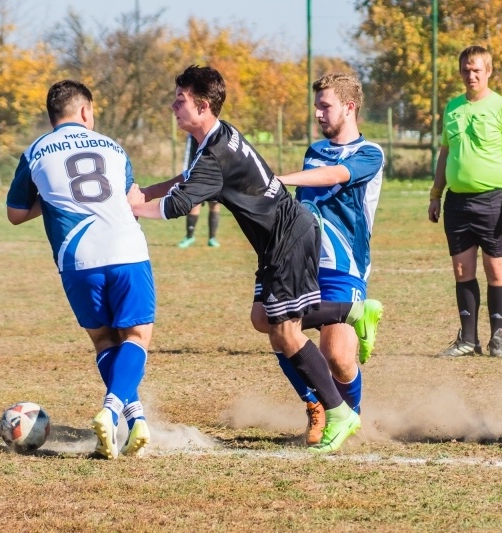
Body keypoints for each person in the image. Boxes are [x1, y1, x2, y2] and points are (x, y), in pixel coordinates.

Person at [128, 65, 382, 453]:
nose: (173, 107)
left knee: (287, 333)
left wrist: (132, 209)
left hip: (287, 239)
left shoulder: (215, 149)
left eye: (179, 100)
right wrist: (143, 193)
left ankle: (336, 411)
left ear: (202, 105)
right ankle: (347, 313)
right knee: (265, 319)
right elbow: (187, 180)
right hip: (279, 240)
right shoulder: (217, 137)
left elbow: (180, 203)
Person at [6, 80, 155, 460]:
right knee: (136, 337)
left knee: (105, 340)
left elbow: (16, 214)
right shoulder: (112, 146)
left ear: (52, 115)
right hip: (126, 250)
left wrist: (51, 199)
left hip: (78, 259)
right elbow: (129, 199)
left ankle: (135, 419)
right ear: (86, 111)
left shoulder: (35, 150)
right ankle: (112, 410)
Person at [252, 73, 384, 445]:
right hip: (303, 260)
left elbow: (332, 176)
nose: (318, 113)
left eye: (325, 106)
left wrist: (280, 179)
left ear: (349, 107)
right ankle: (317, 407)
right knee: (272, 325)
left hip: (345, 266)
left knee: (338, 355)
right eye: (317, 106)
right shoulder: (314, 149)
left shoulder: (369, 153)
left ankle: (352, 417)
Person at [428, 45, 502, 358]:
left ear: (489, 71)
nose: (471, 75)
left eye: (477, 70)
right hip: (456, 202)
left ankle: (498, 338)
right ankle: (468, 340)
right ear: (460, 72)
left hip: (494, 200)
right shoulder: (453, 108)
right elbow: (444, 153)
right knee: (461, 270)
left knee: (496, 270)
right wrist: (435, 194)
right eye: (466, 70)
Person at [178, 135, 222, 248]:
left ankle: (212, 238)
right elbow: (188, 155)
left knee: (215, 205)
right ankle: (189, 236)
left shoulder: (218, 132)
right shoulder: (193, 135)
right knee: (194, 205)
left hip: (214, 174)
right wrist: (187, 175)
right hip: (197, 175)